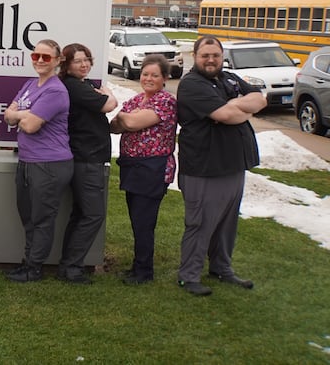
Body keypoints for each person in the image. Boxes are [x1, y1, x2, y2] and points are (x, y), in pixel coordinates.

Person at [176, 35, 266, 296]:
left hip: (234, 165)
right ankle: (188, 276)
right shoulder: (192, 84)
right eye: (205, 55)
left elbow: (259, 99)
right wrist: (237, 108)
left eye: (215, 55)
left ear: (221, 55)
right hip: (205, 168)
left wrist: (238, 106)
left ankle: (221, 268)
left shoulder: (228, 78)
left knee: (227, 223)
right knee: (201, 223)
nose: (211, 59)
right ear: (196, 56)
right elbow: (226, 115)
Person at [4, 39, 74, 283]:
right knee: (28, 216)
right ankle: (28, 262)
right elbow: (7, 115)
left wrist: (20, 115)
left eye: (46, 57)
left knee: (42, 219)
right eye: (36, 56)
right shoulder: (30, 84)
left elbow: (31, 126)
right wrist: (24, 114)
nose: (40, 61)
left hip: (49, 164)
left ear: (57, 60)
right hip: (27, 161)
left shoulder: (55, 90)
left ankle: (34, 268)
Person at [109, 54, 177, 284]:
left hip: (153, 169)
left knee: (144, 221)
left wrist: (127, 118)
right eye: (146, 74)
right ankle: (137, 266)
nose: (148, 78)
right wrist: (126, 118)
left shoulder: (165, 101)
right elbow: (115, 126)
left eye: (154, 75)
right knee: (136, 220)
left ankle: (144, 272)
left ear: (165, 78)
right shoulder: (136, 100)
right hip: (132, 167)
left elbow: (129, 123)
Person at [57, 43, 117, 284]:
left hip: (87, 157)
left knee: (81, 213)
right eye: (77, 61)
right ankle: (72, 267)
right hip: (86, 159)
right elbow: (108, 105)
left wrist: (102, 94)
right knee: (93, 214)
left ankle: (68, 266)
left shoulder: (83, 85)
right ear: (66, 65)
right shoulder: (74, 87)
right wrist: (109, 94)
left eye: (86, 60)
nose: (83, 64)